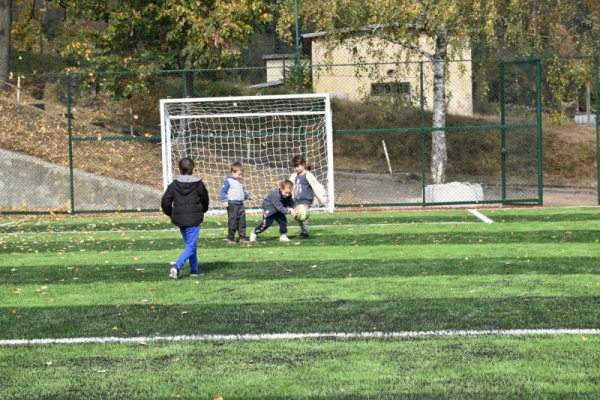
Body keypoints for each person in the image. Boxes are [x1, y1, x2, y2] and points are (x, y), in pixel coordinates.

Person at [161, 157, 209, 279]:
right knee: (191, 246)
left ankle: (195, 269)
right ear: (194, 169)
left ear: (178, 169)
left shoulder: (173, 185)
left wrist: (171, 213)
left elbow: (165, 201)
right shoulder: (199, 184)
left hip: (180, 220)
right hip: (193, 219)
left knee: (190, 244)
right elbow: (205, 200)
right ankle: (177, 266)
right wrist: (201, 211)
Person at [289, 155, 328, 238]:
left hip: (306, 200)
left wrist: (323, 195)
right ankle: (304, 231)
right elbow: (289, 185)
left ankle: (305, 232)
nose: (296, 168)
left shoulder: (308, 175)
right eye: (295, 166)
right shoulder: (294, 176)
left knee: (303, 215)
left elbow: (316, 185)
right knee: (299, 217)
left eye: (298, 166)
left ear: (303, 165)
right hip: (297, 199)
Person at [220, 162, 252, 244]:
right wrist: (224, 200)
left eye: (241, 175)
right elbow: (223, 191)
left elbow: (243, 193)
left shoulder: (240, 183)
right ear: (233, 172)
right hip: (232, 204)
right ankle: (230, 238)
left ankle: (242, 238)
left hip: (240, 204)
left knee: (242, 221)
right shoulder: (228, 181)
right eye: (239, 174)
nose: (240, 176)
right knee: (233, 221)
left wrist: (249, 197)